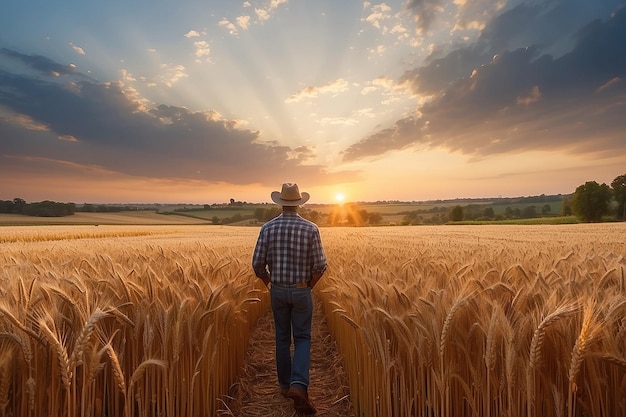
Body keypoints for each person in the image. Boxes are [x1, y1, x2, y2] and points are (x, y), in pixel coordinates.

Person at [252, 183, 327, 415]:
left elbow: (257, 265)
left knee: (282, 338)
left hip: (278, 289)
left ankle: (285, 386)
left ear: (281, 202)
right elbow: (320, 265)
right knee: (303, 337)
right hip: (301, 289)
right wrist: (307, 286)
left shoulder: (267, 228)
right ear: (298, 203)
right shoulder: (311, 229)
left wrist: (270, 284)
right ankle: (298, 384)